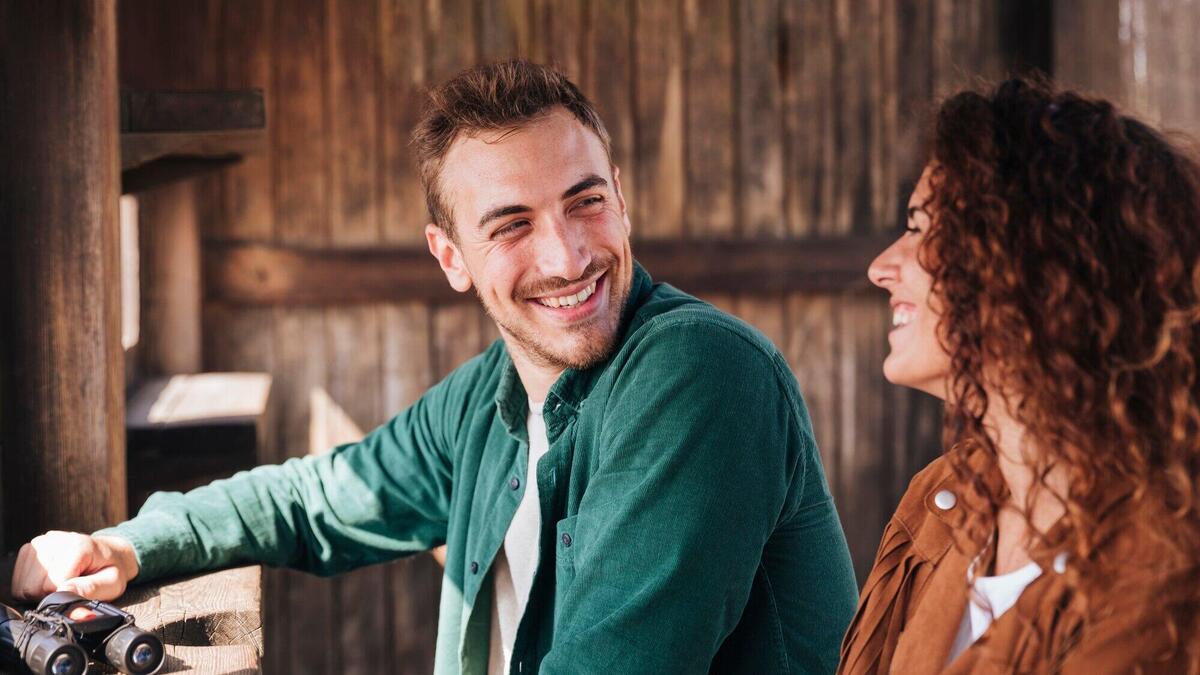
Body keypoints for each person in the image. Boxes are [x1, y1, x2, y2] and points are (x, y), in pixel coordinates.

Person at [12, 60, 858, 674]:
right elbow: (318, 497)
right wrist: (124, 543)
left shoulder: (697, 374)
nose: (568, 255)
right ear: (450, 256)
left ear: (622, 200)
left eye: (585, 201)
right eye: (512, 224)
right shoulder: (493, 395)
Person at [840, 77, 1200, 673]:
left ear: (1044, 267)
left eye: (924, 227)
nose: (881, 267)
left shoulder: (1166, 564)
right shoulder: (939, 502)